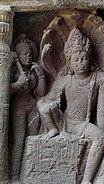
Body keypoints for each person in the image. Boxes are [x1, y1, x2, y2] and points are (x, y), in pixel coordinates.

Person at [38, 28, 104, 184]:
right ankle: (52, 130)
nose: (81, 63)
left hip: (82, 125)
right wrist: (53, 104)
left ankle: (86, 180)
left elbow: (101, 109)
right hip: (64, 121)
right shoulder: (65, 80)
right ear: (69, 61)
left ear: (90, 58)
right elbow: (46, 100)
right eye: (76, 59)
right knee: (42, 106)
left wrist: (103, 127)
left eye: (84, 58)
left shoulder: (101, 79)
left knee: (100, 138)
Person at [10, 39, 46, 181]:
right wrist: (18, 84)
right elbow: (5, 92)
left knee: (32, 141)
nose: (28, 57)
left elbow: (41, 92)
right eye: (25, 54)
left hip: (32, 107)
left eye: (30, 54)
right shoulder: (13, 72)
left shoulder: (32, 70)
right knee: (19, 142)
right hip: (18, 108)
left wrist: (40, 75)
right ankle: (14, 176)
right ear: (18, 55)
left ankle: (30, 173)